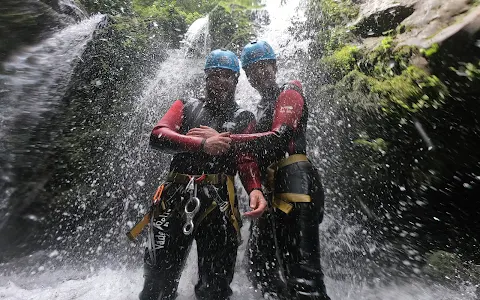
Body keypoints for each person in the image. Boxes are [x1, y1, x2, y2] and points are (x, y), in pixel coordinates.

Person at [187, 41, 330, 300]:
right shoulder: (262, 105)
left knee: (303, 275)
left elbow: (279, 136)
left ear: (274, 66)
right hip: (273, 188)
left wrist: (226, 138)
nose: (257, 75)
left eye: (262, 67)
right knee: (259, 266)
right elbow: (251, 156)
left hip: (296, 181)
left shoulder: (290, 91)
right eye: (251, 71)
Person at [138, 49, 267, 300]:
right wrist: (200, 145)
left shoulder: (244, 117)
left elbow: (246, 159)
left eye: (227, 76)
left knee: (215, 288)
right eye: (214, 75)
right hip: (174, 199)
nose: (220, 81)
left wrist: (255, 188)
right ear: (206, 78)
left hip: (219, 205)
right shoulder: (186, 104)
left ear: (236, 81)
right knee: (157, 284)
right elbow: (158, 135)